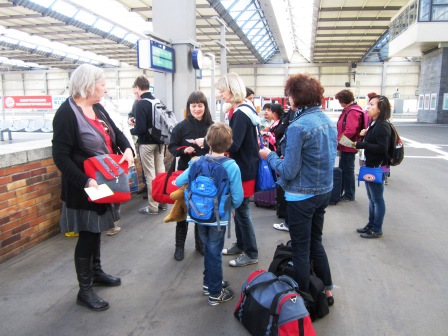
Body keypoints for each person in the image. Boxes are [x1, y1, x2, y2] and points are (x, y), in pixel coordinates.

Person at [52, 64, 135, 311]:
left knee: (97, 228)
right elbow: (61, 156)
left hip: (103, 180)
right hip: (84, 185)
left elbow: (117, 133)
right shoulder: (66, 114)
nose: (105, 88)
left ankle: (96, 273)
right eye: (102, 84)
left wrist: (128, 148)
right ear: (88, 85)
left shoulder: (97, 107)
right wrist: (86, 182)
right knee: (88, 233)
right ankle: (84, 289)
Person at [260, 73, 336, 306]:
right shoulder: (326, 121)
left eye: (289, 95)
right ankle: (327, 291)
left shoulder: (298, 127)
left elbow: (289, 171)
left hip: (301, 195)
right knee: (316, 242)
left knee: (301, 249)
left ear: (295, 97)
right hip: (323, 191)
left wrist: (270, 156)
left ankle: (302, 300)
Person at [175, 122, 243, 306]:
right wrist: (231, 208)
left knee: (210, 252)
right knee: (214, 253)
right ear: (229, 144)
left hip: (198, 215)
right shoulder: (231, 166)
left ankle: (209, 283)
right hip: (218, 218)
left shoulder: (199, 162)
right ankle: (215, 293)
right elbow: (238, 197)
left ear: (208, 142)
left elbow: (178, 181)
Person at [215, 73, 259, 267]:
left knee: (241, 211)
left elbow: (234, 145)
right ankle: (241, 244)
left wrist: (213, 145)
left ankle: (251, 252)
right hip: (245, 166)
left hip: (243, 169)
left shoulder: (240, 114)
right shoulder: (245, 110)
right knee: (238, 210)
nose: (221, 95)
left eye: (222, 91)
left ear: (232, 91)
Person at [168, 91, 213, 261]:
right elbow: (172, 146)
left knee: (201, 208)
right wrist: (183, 150)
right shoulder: (181, 126)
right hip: (185, 173)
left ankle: (199, 244)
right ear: (189, 107)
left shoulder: (212, 126)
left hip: (207, 174)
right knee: (183, 208)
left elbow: (218, 144)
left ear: (205, 106)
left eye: (200, 105)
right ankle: (179, 246)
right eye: (193, 105)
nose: (197, 109)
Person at [352, 95, 392, 239]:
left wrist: (362, 144)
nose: (368, 107)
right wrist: (364, 136)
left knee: (377, 199)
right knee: (372, 198)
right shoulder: (374, 124)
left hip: (376, 167)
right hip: (370, 166)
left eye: (371, 105)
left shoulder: (382, 126)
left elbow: (382, 148)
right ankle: (371, 224)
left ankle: (377, 229)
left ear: (380, 109)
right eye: (368, 105)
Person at [130, 75, 167, 215]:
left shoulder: (140, 104)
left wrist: (131, 128)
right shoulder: (158, 101)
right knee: (161, 174)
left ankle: (153, 207)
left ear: (138, 88)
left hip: (146, 144)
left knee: (150, 175)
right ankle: (163, 202)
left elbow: (140, 129)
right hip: (160, 143)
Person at [335, 89, 365, 201]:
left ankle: (349, 194)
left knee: (347, 170)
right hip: (347, 145)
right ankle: (345, 193)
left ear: (343, 100)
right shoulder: (352, 110)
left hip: (348, 146)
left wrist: (338, 139)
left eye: (339, 100)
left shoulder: (352, 112)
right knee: (345, 169)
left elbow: (350, 130)